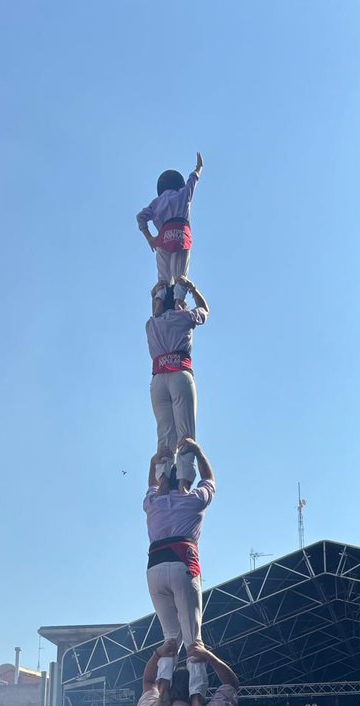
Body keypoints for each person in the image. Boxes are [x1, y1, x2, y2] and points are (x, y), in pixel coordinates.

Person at [144, 438, 216, 705]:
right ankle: (197, 695)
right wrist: (197, 451)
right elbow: (211, 481)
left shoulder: (152, 503)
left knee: (169, 636)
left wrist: (155, 462)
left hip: (155, 567)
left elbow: (152, 484)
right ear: (189, 478)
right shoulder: (195, 500)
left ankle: (163, 689)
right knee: (192, 636)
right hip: (183, 562)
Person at [146, 279, 209, 488]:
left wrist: (157, 295)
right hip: (179, 373)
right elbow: (205, 311)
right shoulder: (185, 317)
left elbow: (156, 311)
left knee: (164, 435)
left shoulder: (151, 324)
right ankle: (183, 484)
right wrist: (192, 289)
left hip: (158, 381)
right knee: (186, 433)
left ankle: (163, 481)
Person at [137, 153, 203, 305]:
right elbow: (192, 180)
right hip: (181, 234)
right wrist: (199, 168)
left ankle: (159, 301)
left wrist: (150, 238)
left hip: (163, 238)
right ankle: (179, 302)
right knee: (180, 275)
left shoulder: (156, 202)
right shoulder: (184, 194)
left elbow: (140, 217)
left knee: (163, 278)